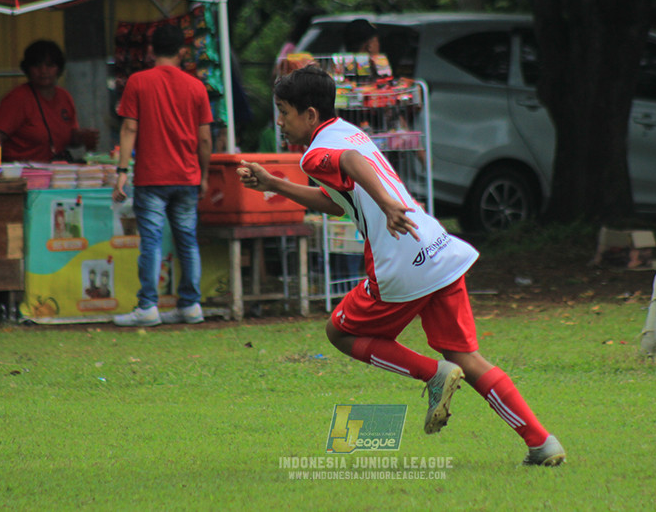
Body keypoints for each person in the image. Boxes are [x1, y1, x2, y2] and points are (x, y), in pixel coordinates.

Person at [236, 66, 565, 466]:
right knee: (467, 358)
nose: (280, 122)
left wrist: (389, 206)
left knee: (339, 331)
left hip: (401, 261)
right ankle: (541, 442)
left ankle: (432, 375)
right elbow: (337, 202)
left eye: (284, 112)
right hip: (436, 248)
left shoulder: (316, 153)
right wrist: (273, 183)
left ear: (309, 115)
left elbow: (354, 164)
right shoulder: (348, 130)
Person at [112, 24, 213, 327]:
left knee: (152, 242)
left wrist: (121, 171)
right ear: (182, 52)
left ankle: (148, 307)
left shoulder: (138, 82)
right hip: (187, 177)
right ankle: (191, 305)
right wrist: (204, 175)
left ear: (151, 50)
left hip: (151, 177)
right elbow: (205, 138)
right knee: (187, 241)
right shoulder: (196, 87)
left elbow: (130, 128)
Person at [0, 40, 99, 163]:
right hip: (23, 171)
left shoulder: (64, 96)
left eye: (50, 65)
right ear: (28, 69)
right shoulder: (17, 98)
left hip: (57, 169)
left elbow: (68, 138)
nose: (43, 70)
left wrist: (83, 137)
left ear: (59, 68)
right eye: (37, 65)